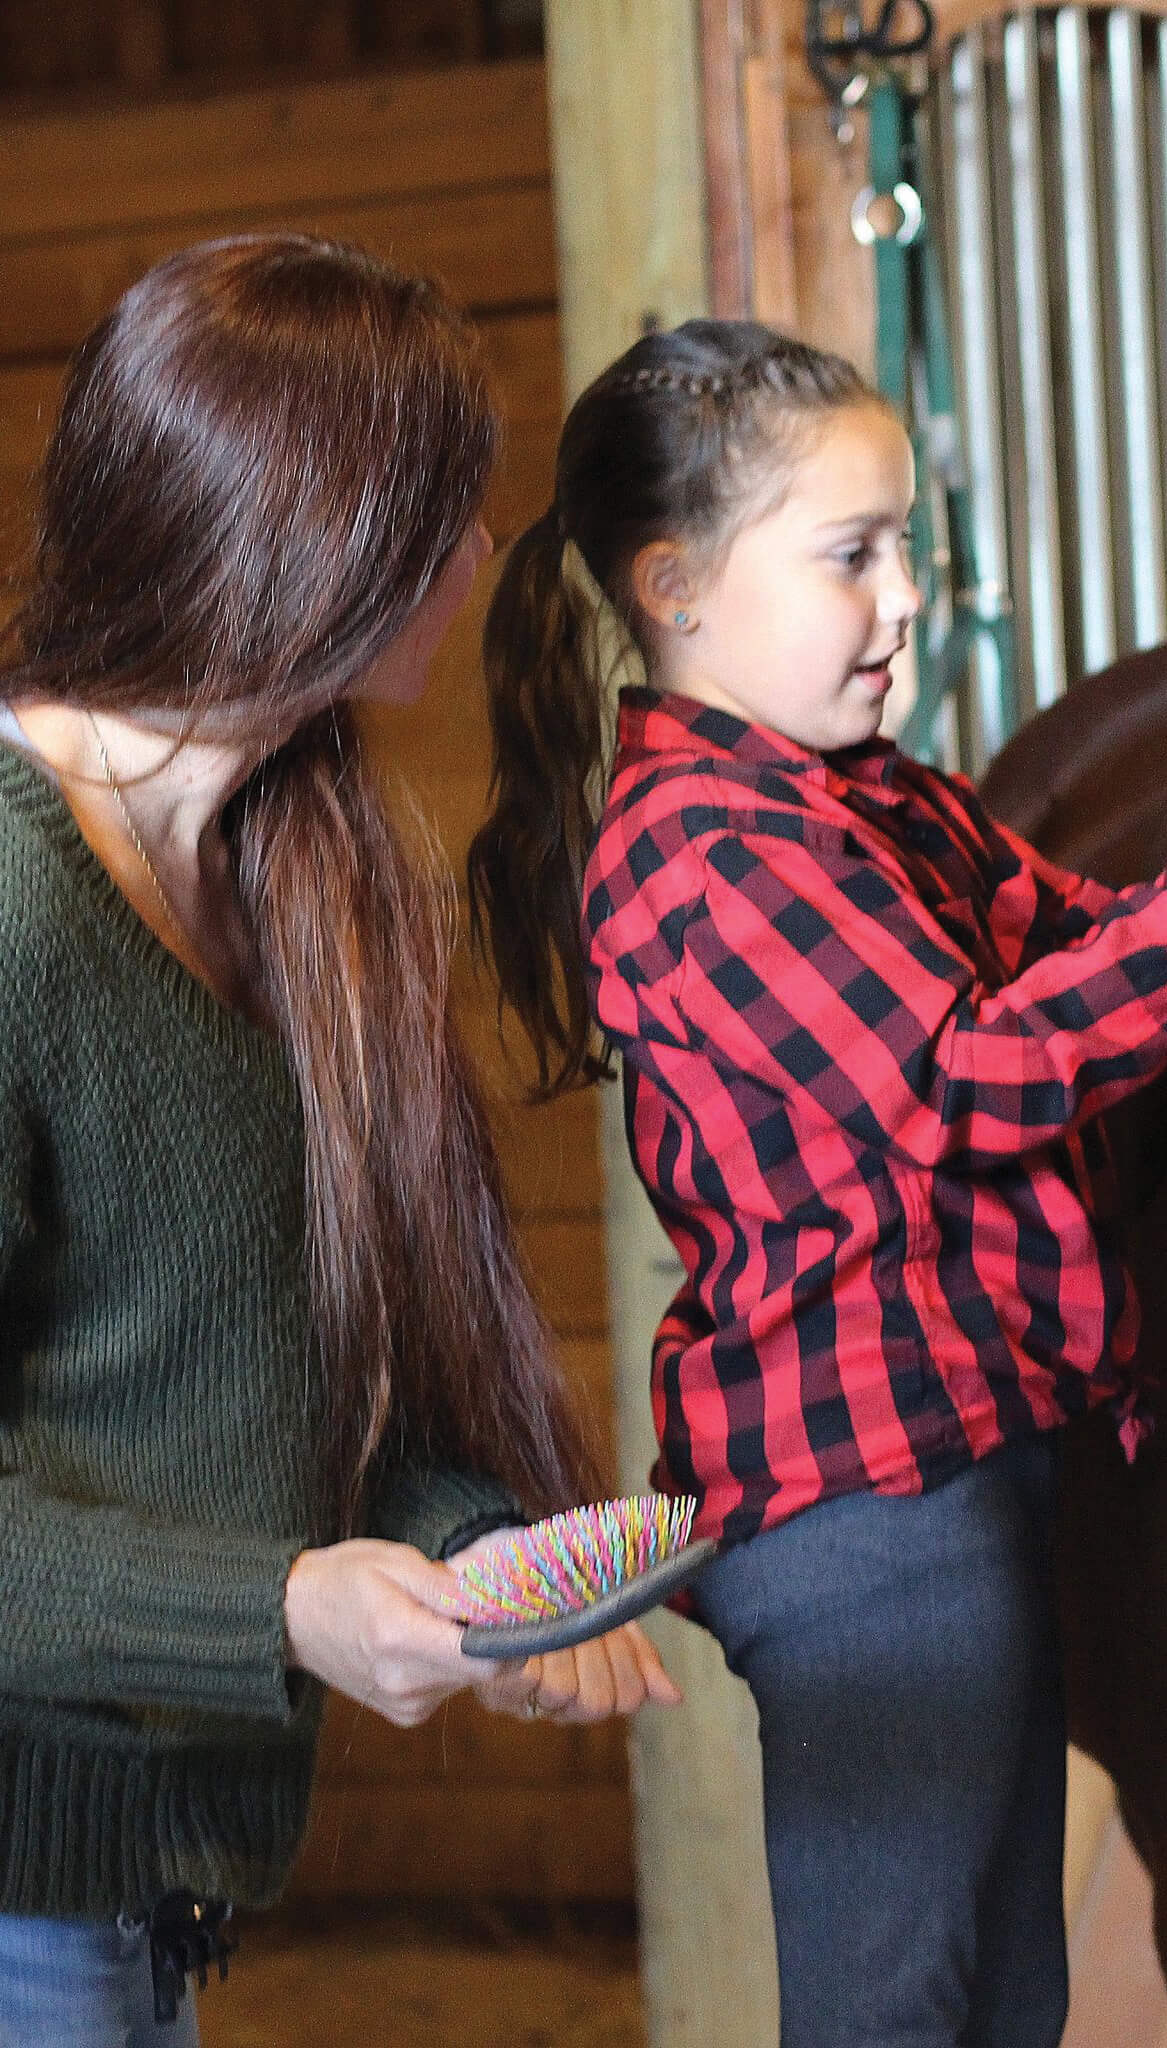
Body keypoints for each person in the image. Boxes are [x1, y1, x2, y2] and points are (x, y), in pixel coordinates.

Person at [468, 317, 1167, 2046]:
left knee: (1000, 2004)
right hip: (862, 1521)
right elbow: (971, 1078)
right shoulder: (701, 854)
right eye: (851, 555)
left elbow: (1104, 956)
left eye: (904, 543)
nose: (905, 594)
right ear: (677, 586)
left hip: (962, 1485)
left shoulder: (869, 803)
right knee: (896, 2016)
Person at [0, 235, 678, 2048]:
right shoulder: (9, 898)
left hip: (148, 1888)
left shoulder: (302, 863)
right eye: (439, 520)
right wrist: (284, 1609)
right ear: (299, 539)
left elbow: (304, 1376)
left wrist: (474, 1565)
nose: (475, 561)